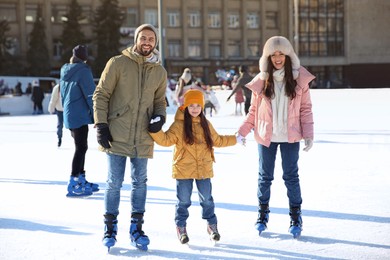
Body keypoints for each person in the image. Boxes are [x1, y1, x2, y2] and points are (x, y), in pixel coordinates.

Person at [92, 24, 167, 251]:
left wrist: (160, 117)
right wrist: (101, 125)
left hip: (143, 135)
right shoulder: (117, 63)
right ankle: (110, 227)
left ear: (155, 43)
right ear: (136, 40)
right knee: (114, 183)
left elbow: (160, 102)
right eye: (143, 37)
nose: (147, 42)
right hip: (117, 133)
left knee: (140, 183)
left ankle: (136, 228)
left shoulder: (159, 71)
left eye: (151, 39)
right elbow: (101, 94)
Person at [236, 36, 315, 238]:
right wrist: (242, 131)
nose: (278, 58)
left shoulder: (299, 81)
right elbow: (253, 111)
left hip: (290, 137)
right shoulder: (261, 82)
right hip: (266, 137)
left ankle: (296, 217)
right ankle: (262, 215)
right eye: (273, 54)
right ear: (268, 58)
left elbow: (306, 109)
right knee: (265, 178)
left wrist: (308, 134)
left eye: (281, 54)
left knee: (291, 177)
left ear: (288, 56)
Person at [148, 89, 245, 244]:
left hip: (203, 169)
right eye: (191, 105)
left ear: (202, 106)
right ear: (185, 107)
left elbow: (217, 140)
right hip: (183, 170)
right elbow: (166, 140)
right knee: (183, 201)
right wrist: (155, 131)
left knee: (207, 199)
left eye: (198, 105)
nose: (194, 109)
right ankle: (181, 227)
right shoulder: (179, 125)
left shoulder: (206, 124)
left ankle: (212, 225)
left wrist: (236, 139)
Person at [60, 44, 99, 197]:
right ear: (85, 58)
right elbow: (91, 95)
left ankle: (80, 178)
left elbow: (63, 94)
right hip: (80, 114)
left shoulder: (65, 70)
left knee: (81, 147)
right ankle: (74, 181)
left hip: (69, 114)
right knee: (81, 148)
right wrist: (97, 116)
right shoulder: (83, 71)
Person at [48, 83, 64, 147]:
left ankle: (59, 138)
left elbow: (53, 99)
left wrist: (51, 109)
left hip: (61, 109)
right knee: (71, 125)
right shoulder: (58, 87)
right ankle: (59, 138)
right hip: (65, 109)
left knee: (60, 125)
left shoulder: (57, 87)